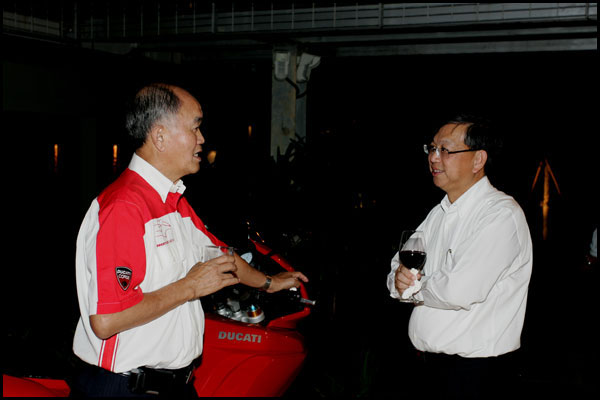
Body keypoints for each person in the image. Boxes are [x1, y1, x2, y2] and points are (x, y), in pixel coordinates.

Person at [71, 83, 308, 397]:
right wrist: (190, 287)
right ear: (160, 137)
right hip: (125, 387)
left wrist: (269, 283)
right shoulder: (124, 207)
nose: (202, 138)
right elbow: (107, 320)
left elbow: (221, 256)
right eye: (195, 127)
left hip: (176, 385)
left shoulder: (173, 201)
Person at [386, 114, 533, 399]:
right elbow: (397, 268)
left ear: (478, 160)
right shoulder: (440, 212)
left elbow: (460, 290)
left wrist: (414, 287)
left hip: (477, 374)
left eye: (445, 150)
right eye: (432, 148)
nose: (434, 158)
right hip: (432, 368)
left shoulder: (500, 215)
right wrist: (401, 282)